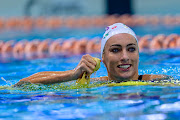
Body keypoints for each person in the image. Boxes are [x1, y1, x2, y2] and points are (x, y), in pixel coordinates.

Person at [15, 23, 167, 85]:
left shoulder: (158, 82)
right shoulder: (96, 84)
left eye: (131, 49)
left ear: (138, 54)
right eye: (115, 50)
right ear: (103, 58)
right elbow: (22, 85)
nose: (125, 56)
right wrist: (73, 74)